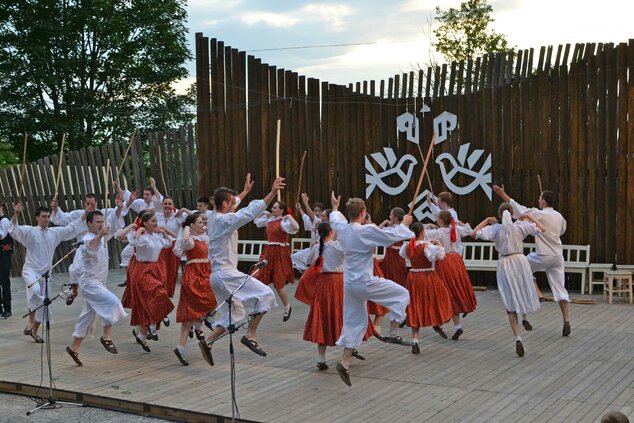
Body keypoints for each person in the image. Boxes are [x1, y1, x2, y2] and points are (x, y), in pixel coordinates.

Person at [329, 192, 414, 386]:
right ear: (362, 212)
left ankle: (345, 363)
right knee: (402, 294)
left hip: (350, 285)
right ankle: (395, 328)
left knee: (355, 322)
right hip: (365, 282)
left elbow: (334, 220)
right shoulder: (364, 231)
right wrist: (405, 225)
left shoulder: (343, 229)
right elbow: (389, 236)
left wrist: (334, 207)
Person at [198, 177, 285, 366]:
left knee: (236, 314)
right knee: (266, 294)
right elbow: (247, 213)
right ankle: (250, 335)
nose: (235, 204)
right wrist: (271, 192)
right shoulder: (225, 220)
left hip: (216, 276)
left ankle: (209, 341)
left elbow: (237, 203)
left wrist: (244, 191)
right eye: (232, 202)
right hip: (227, 274)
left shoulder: (213, 215)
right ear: (224, 204)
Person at [492, 185, 571, 336]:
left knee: (522, 266)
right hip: (557, 256)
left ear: (544, 201)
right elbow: (561, 231)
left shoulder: (538, 214)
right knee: (561, 290)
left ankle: (536, 292)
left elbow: (517, 209)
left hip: (543, 255)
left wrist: (503, 194)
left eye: (540, 198)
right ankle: (566, 320)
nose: (538, 200)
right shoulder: (560, 217)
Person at [471, 203, 545, 357]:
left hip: (505, 263)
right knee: (523, 290)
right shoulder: (520, 226)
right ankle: (525, 318)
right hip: (520, 260)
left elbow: (473, 233)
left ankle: (518, 337)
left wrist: (486, 221)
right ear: (512, 214)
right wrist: (529, 217)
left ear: (499, 215)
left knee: (510, 299)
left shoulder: (495, 229)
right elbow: (542, 229)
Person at [10, 203, 85, 342]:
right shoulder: (30, 231)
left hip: (46, 274)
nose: (46, 219)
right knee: (36, 291)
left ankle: (34, 330)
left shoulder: (54, 233)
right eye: (43, 216)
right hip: (31, 271)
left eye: (48, 216)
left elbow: (71, 229)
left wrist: (85, 214)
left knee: (45, 303)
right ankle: (30, 322)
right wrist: (16, 214)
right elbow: (14, 230)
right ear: (37, 218)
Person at [303, 222, 370, 370]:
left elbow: (308, 261)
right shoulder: (337, 246)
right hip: (338, 282)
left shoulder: (317, 247)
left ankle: (321, 358)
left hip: (322, 284)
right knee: (345, 315)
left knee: (323, 317)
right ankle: (348, 351)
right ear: (331, 232)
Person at [65, 206, 127, 366]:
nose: (100, 224)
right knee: (113, 302)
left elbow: (115, 221)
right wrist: (100, 234)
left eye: (102, 222)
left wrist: (120, 207)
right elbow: (91, 249)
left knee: (86, 317)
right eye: (97, 222)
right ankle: (107, 337)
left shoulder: (103, 237)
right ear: (89, 224)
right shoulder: (87, 239)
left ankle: (74, 348)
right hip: (91, 284)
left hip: (100, 283)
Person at [50, 192, 125, 303]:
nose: (90, 206)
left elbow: (115, 215)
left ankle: (101, 291)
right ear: (84, 203)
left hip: (99, 248)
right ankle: (74, 291)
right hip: (83, 247)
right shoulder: (79, 214)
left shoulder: (102, 213)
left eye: (92, 204)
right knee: (75, 269)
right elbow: (62, 218)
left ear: (96, 203)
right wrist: (56, 208)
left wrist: (119, 207)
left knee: (99, 272)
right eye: (87, 203)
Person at [400, 222, 453, 353]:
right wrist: (439, 244)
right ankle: (437, 322)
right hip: (427, 275)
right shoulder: (427, 245)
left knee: (415, 305)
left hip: (413, 276)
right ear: (422, 233)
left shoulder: (407, 246)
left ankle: (415, 340)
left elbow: (405, 255)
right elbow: (441, 256)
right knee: (440, 297)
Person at [127, 210, 175, 351]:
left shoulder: (157, 237)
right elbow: (134, 241)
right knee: (158, 295)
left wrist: (163, 232)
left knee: (149, 302)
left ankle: (142, 336)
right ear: (146, 223)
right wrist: (139, 230)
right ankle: (152, 327)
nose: (155, 223)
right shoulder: (143, 237)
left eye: (156, 221)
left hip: (154, 270)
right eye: (153, 221)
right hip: (142, 270)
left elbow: (168, 244)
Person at [172, 213, 216, 366]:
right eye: (199, 222)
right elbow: (184, 241)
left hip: (205, 271)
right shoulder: (190, 240)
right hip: (194, 275)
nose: (203, 223)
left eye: (203, 221)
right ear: (192, 225)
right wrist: (185, 228)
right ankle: (181, 347)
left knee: (213, 296)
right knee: (189, 314)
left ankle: (202, 322)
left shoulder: (204, 237)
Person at [425, 210, 476, 340]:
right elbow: (469, 230)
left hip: (444, 262)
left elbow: (421, 234)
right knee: (455, 290)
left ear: (441, 220)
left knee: (445, 292)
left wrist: (428, 226)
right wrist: (459, 223)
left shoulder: (438, 232)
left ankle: (441, 322)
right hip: (456, 262)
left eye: (437, 218)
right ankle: (456, 325)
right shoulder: (456, 229)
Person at [253, 201, 299, 321]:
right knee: (261, 278)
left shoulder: (284, 222)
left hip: (279, 252)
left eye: (275, 208)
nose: (272, 209)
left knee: (279, 283)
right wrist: (265, 212)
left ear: (281, 210)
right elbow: (256, 220)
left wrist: (288, 216)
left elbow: (296, 227)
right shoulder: (269, 220)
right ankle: (259, 307)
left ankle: (287, 307)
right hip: (268, 252)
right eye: (272, 207)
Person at [291, 193, 324, 272]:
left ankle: (313, 275)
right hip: (312, 249)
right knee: (294, 257)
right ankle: (305, 273)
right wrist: (299, 209)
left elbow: (312, 217)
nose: (317, 212)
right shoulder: (311, 221)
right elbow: (305, 216)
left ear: (322, 212)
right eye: (315, 210)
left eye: (320, 211)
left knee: (317, 266)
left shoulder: (322, 221)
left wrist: (305, 203)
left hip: (322, 251)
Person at [378, 207, 408, 288]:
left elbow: (377, 231)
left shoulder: (398, 229)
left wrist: (385, 223)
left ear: (395, 217)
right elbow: (376, 231)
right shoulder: (392, 228)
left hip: (394, 255)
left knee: (396, 274)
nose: (389, 216)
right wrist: (385, 222)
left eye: (391, 215)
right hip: (391, 255)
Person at [0, 203, 14, 318]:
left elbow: (1, 235)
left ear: (2, 208)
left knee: (4, 282)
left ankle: (7, 309)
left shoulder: (4, 220)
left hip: (4, 255)